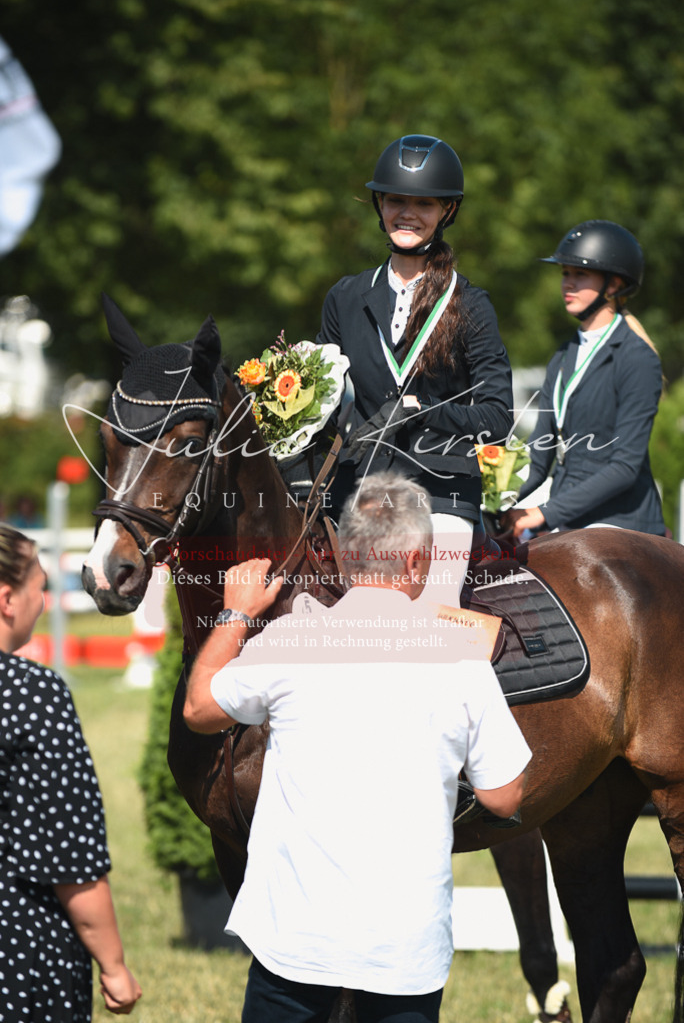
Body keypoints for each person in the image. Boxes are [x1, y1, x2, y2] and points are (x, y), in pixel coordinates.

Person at [184, 472, 531, 1023]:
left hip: (292, 943)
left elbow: (199, 709)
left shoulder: (288, 640)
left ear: (346, 555)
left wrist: (236, 614)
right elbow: (504, 796)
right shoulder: (464, 657)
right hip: (405, 952)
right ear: (417, 561)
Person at [317, 134, 514, 603]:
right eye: (396, 200)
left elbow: (497, 417)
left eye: (423, 203)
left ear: (447, 210)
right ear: (379, 205)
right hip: (361, 490)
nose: (407, 213)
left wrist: (426, 409)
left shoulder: (471, 305)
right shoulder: (344, 297)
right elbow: (324, 400)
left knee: (424, 625)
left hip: (441, 493)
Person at [0, 523, 141, 1020]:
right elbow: (70, 859)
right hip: (21, 953)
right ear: (6, 600)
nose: (42, 603)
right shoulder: (31, 694)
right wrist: (114, 966)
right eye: (39, 588)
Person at [502, 220, 666, 539]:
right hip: (568, 516)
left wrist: (545, 513)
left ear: (613, 285)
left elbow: (625, 467)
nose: (568, 283)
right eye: (565, 273)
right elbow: (539, 456)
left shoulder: (637, 358)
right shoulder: (563, 356)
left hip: (621, 521)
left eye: (580, 274)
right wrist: (497, 498)